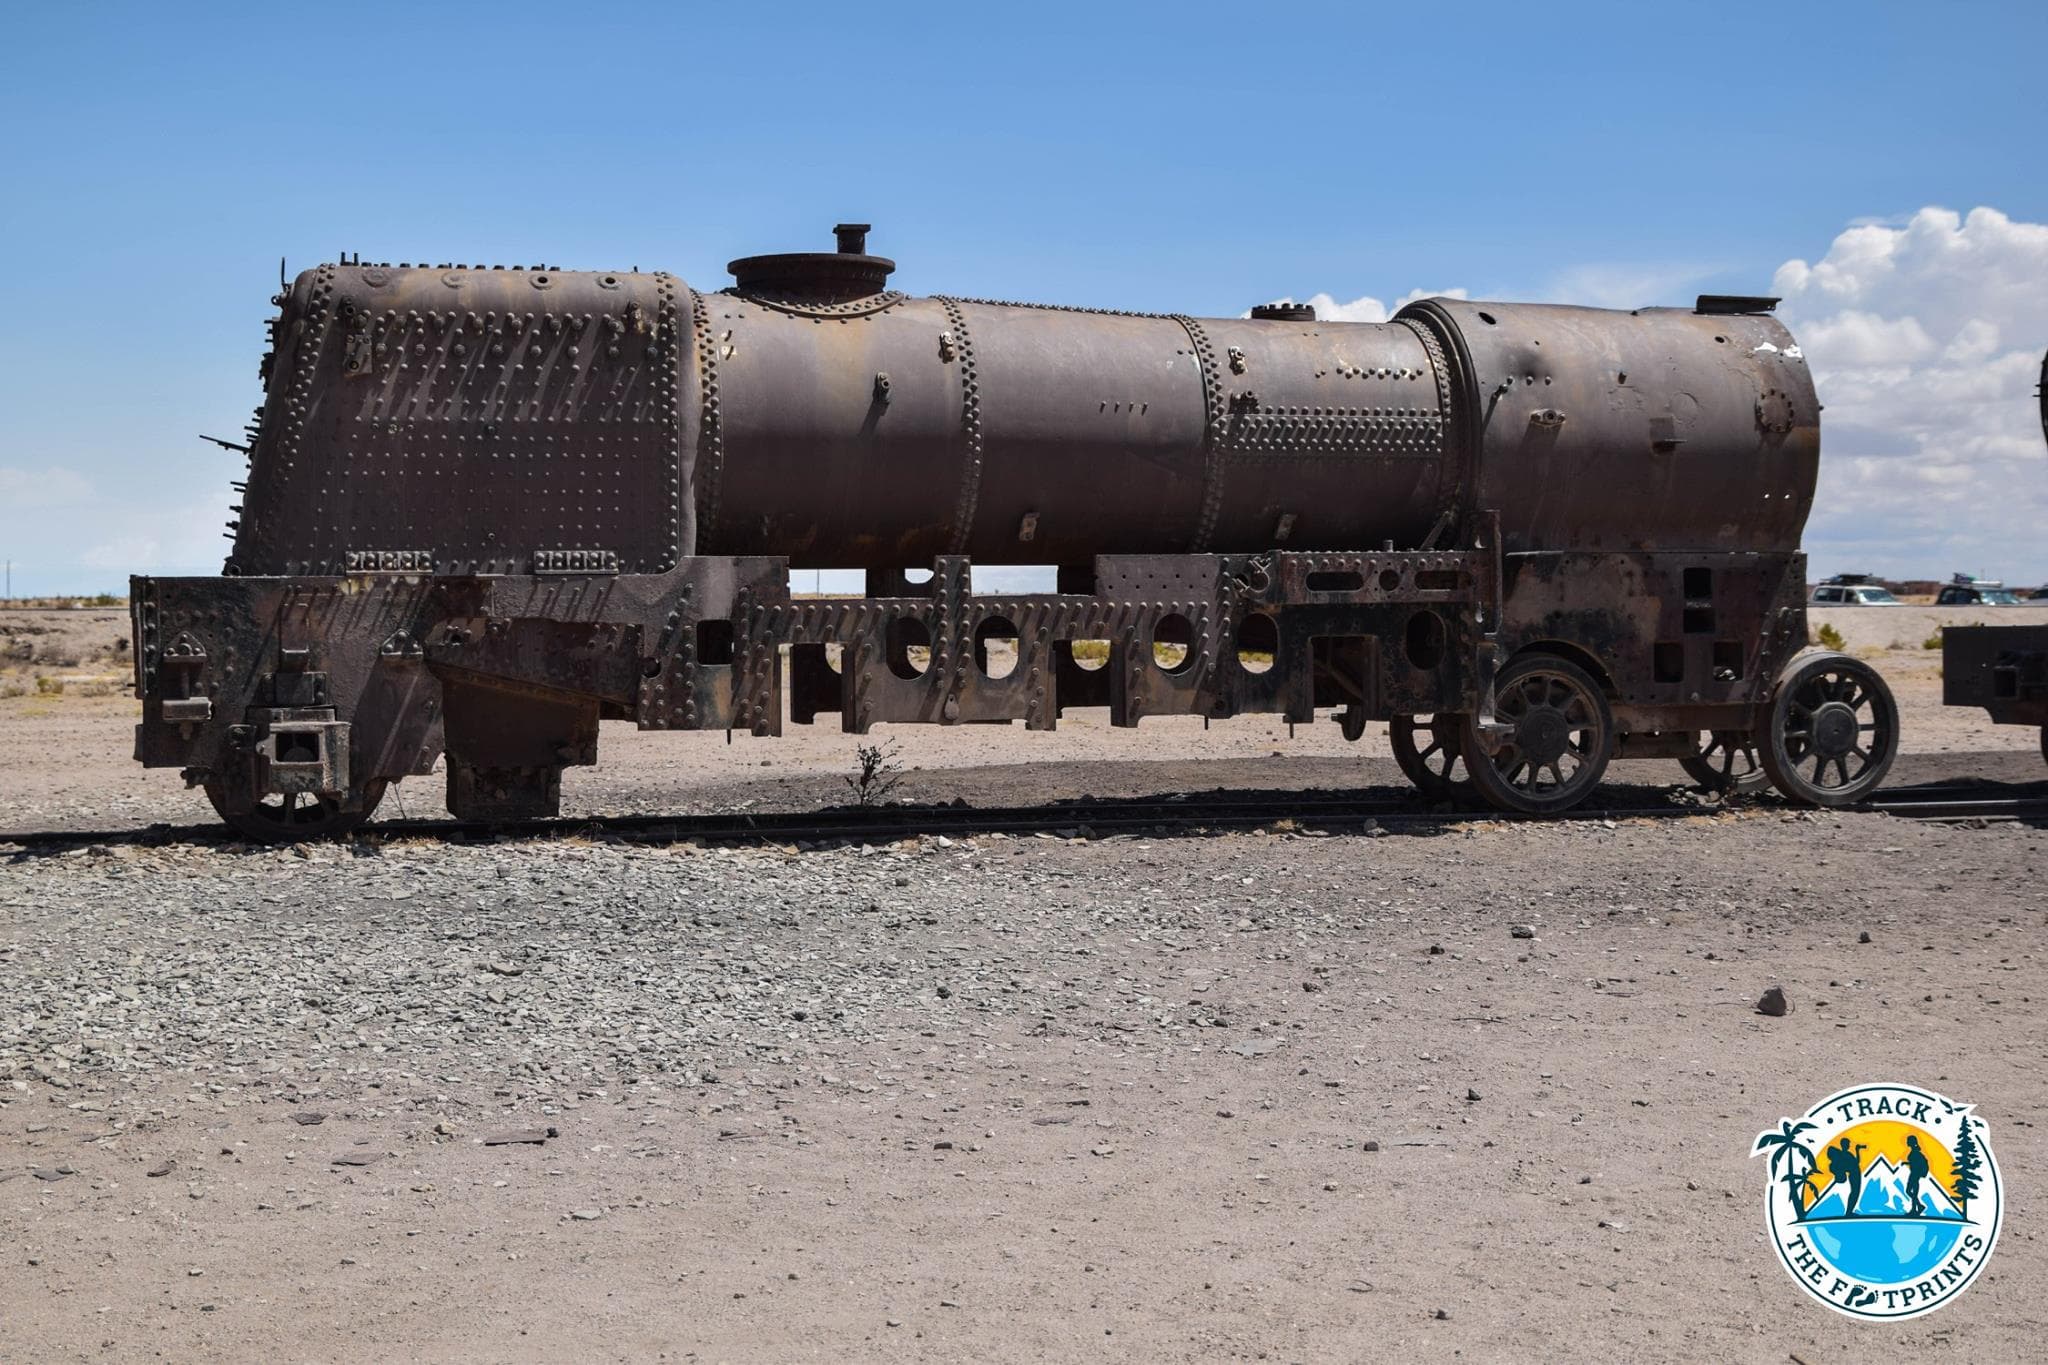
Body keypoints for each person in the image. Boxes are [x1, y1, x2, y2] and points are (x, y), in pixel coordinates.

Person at [1825, 1137, 1864, 1216]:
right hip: (1854, 1174)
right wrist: (1857, 1150)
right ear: (1844, 1145)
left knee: (1854, 1193)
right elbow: (1856, 1162)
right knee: (1854, 1193)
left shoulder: (1845, 1154)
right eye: (1848, 1144)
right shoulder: (1845, 1154)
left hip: (1854, 1174)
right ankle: (1849, 1212)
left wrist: (1857, 1150)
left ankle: (1849, 1211)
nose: (1849, 1145)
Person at [1905, 1135, 1930, 1217]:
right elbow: (1914, 1162)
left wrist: (1910, 1164)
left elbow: (1916, 1163)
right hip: (1914, 1174)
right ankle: (1918, 1207)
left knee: (1910, 1191)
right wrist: (1907, 1163)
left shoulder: (1915, 1152)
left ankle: (1916, 1209)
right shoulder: (1915, 1151)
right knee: (1911, 1192)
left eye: (1908, 1141)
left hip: (1914, 1174)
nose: (1906, 1142)